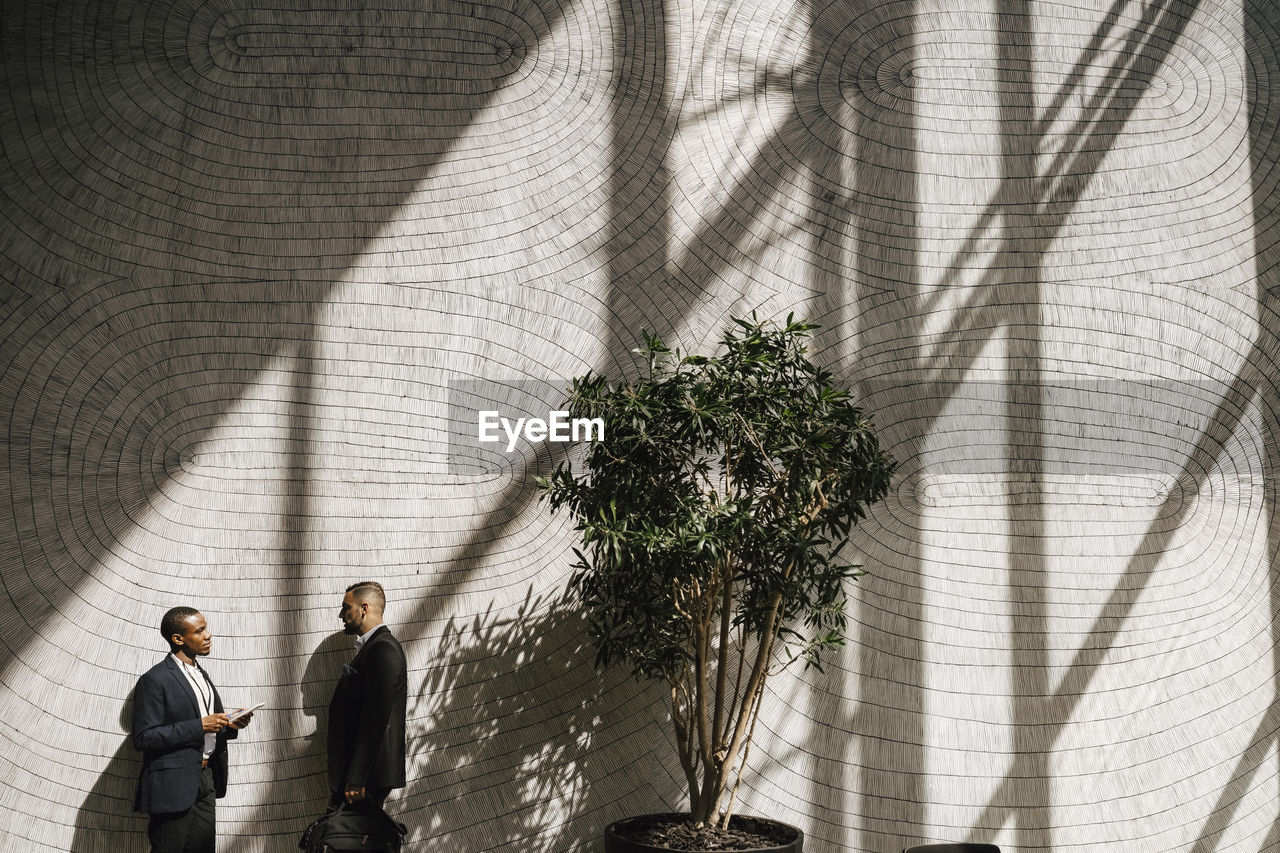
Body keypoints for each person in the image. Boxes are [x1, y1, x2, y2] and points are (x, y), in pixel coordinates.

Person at [132, 606, 253, 853]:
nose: (208, 635)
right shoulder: (154, 679)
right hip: (173, 785)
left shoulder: (201, 674)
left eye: (206, 628)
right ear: (178, 639)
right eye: (199, 631)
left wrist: (229, 724)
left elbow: (203, 723)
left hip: (207, 779)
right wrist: (199, 726)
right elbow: (144, 737)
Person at [328, 580, 407, 809]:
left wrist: (358, 776)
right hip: (358, 775)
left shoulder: (383, 650)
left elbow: (376, 717)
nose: (341, 614)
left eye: (346, 607)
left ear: (364, 608)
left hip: (366, 779)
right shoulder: (372, 648)